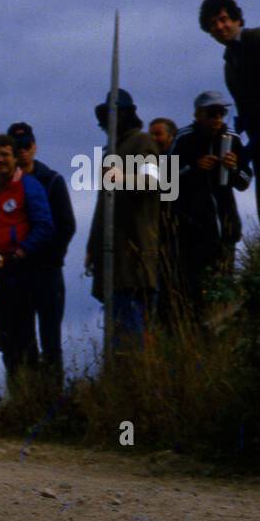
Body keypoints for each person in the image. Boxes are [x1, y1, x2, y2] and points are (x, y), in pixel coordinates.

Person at [159, 92, 250, 328]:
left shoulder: (232, 139)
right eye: (212, 113)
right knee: (195, 290)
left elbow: (245, 180)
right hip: (192, 230)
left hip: (226, 227)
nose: (218, 118)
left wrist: (233, 168)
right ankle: (196, 334)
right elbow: (166, 181)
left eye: (222, 113)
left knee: (225, 285)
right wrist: (193, 168)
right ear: (198, 115)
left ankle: (224, 331)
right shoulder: (184, 139)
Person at [199, 0, 260, 236]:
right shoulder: (229, 62)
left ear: (236, 19)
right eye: (213, 24)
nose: (220, 26)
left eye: (224, 19)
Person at [84, 89, 162, 345]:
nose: (110, 121)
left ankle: (137, 376)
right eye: (108, 115)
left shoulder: (142, 143)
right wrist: (92, 247)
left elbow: (155, 181)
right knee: (117, 332)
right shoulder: (112, 151)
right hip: (112, 258)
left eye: (116, 114)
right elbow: (102, 207)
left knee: (132, 331)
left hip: (134, 255)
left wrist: (122, 178)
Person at [0, 134, 54, 390]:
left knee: (25, 335)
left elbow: (44, 226)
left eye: (5, 154)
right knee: (4, 336)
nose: (0, 160)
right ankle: (15, 394)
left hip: (23, 272)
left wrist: (21, 252)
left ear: (14, 158)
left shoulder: (28, 186)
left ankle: (32, 395)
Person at [7, 122, 74, 382]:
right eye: (17, 147)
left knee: (51, 339)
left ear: (34, 147)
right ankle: (30, 397)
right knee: (23, 340)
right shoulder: (6, 186)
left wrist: (51, 258)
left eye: (26, 146)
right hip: (20, 274)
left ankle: (53, 398)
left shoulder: (52, 181)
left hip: (47, 272)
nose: (23, 152)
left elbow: (66, 224)